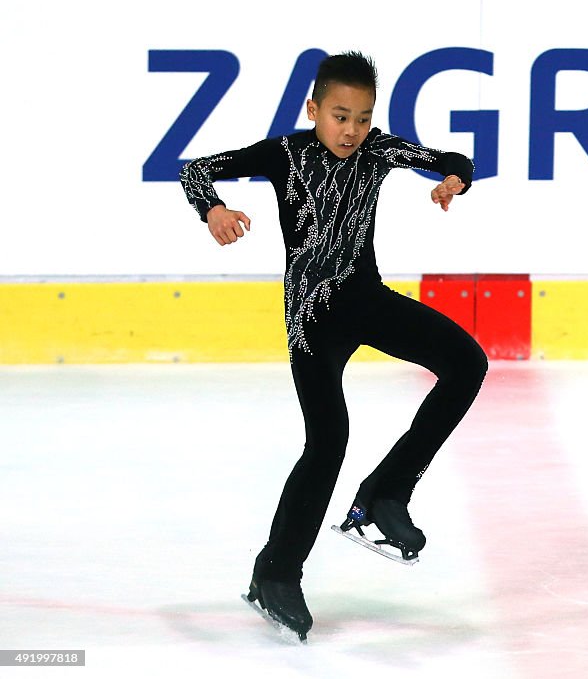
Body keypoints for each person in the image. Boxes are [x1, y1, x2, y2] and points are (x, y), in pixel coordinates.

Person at [179, 51, 488, 641]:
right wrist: (212, 209)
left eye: (364, 118)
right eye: (340, 115)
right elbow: (197, 169)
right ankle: (274, 573)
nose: (352, 130)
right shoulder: (285, 154)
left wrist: (456, 179)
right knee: (328, 440)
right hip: (311, 320)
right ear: (314, 109)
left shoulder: (378, 151)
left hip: (366, 299)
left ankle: (385, 495)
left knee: (467, 363)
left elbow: (450, 157)